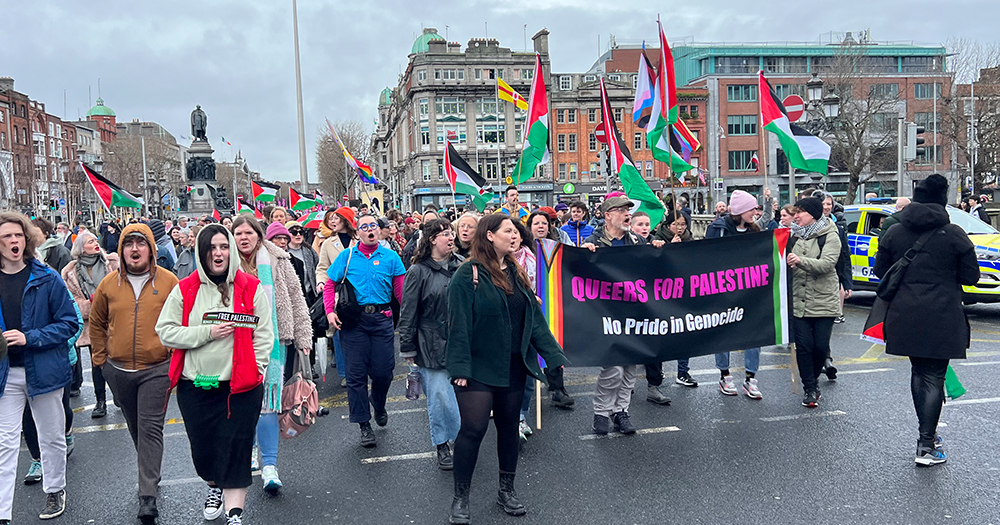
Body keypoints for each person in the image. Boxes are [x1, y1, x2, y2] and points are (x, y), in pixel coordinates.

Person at [445, 213, 569, 524]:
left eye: (516, 232)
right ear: (489, 236)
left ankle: (506, 489)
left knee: (509, 429)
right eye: (508, 231)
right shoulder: (467, 275)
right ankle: (461, 496)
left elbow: (534, 320)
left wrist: (554, 356)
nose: (514, 236)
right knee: (473, 430)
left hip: (514, 364)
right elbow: (457, 325)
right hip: (477, 367)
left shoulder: (515, 270)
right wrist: (459, 367)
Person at [155, 224, 273, 525]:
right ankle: (213, 486)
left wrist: (256, 369)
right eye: (211, 248)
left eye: (223, 246)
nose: (218, 253)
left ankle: (235, 514)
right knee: (204, 453)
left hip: (240, 387)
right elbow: (165, 331)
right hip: (197, 386)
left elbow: (263, 333)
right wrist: (207, 333)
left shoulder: (249, 286)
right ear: (201, 253)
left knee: (237, 446)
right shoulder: (186, 288)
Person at [875, 175, 979, 466]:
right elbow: (972, 276)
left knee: (918, 373)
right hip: (942, 313)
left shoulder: (895, 232)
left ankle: (927, 438)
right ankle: (926, 443)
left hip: (904, 312)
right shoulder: (955, 233)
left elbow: (880, 270)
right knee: (934, 375)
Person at [89, 224, 178, 522]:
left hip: (157, 369)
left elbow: (182, 320)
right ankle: (150, 471)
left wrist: (173, 358)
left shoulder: (168, 282)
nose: (135, 249)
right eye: (129, 244)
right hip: (118, 370)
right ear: (121, 250)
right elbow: (97, 324)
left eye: (141, 243)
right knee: (136, 427)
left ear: (151, 249)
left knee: (151, 428)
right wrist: (101, 361)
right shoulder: (108, 285)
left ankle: (147, 495)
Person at [0, 212, 79, 521]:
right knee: (5, 442)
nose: (13, 241)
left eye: (18, 235)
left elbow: (69, 323)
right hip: (6, 373)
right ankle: (3, 511)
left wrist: (29, 337)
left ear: (28, 239)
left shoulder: (47, 277)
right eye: (6, 236)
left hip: (44, 369)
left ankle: (55, 490)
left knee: (51, 436)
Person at [232, 216, 312, 491]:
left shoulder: (278, 259)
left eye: (248, 232)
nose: (244, 238)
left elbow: (295, 296)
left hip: (274, 340)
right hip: (233, 342)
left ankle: (270, 466)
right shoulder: (222, 262)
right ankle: (250, 449)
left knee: (269, 401)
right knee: (241, 402)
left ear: (259, 235)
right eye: (238, 233)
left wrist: (303, 336)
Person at [324, 214, 405, 448]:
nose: (370, 230)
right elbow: (330, 284)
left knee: (384, 372)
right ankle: (364, 425)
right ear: (357, 232)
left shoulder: (391, 257)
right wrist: (330, 311)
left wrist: (411, 316)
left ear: (379, 231)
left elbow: (401, 293)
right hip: (354, 322)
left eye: (373, 226)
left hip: (382, 320)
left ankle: (378, 403)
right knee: (356, 375)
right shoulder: (346, 256)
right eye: (364, 227)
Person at [581, 195, 651, 433]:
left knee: (630, 368)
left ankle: (621, 411)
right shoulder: (593, 241)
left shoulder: (637, 241)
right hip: (605, 314)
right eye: (621, 210)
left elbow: (654, 269)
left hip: (633, 314)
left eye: (627, 210)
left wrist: (660, 250)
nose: (626, 214)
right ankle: (601, 412)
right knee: (613, 369)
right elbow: (576, 272)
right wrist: (582, 255)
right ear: (608, 215)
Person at [399, 219, 463, 470]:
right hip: (430, 342)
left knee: (461, 397)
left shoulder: (463, 266)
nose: (451, 237)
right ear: (432, 240)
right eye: (445, 234)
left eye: (452, 233)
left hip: (460, 341)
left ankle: (462, 440)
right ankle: (442, 444)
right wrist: (408, 346)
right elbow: (408, 311)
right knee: (439, 397)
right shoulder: (418, 271)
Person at [705, 190, 764, 400]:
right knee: (724, 335)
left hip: (750, 293)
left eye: (756, 208)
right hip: (723, 292)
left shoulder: (757, 231)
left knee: (754, 336)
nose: (755, 213)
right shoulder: (717, 229)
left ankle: (751, 378)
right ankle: (725, 374)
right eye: (751, 209)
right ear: (739, 211)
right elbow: (705, 258)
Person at [786, 197, 841, 409]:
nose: (796, 216)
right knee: (804, 347)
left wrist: (800, 261)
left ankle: (814, 378)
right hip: (798, 300)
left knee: (820, 347)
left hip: (823, 301)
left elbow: (827, 264)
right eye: (795, 212)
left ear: (813, 214)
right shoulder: (793, 236)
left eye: (800, 212)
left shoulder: (830, 235)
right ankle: (810, 387)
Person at [60, 231, 120, 419]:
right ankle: (100, 401)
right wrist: (90, 304)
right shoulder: (70, 271)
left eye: (96, 240)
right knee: (97, 363)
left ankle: (119, 395)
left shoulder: (112, 263)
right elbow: (71, 300)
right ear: (80, 248)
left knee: (117, 360)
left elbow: (122, 288)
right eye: (90, 241)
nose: (95, 243)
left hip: (115, 319)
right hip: (91, 323)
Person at [653, 210, 699, 388]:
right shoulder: (657, 239)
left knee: (684, 334)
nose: (679, 228)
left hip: (683, 293)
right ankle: (658, 371)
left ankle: (683, 371)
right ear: (667, 225)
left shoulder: (689, 240)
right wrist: (669, 248)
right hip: (662, 295)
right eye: (675, 224)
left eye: (683, 224)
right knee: (661, 334)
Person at [315, 208, 357, 388]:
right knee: (340, 332)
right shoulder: (328, 243)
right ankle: (345, 372)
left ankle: (361, 367)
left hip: (359, 291)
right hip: (339, 293)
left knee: (360, 331)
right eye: (331, 219)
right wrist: (322, 282)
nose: (332, 221)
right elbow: (323, 268)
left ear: (346, 220)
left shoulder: (359, 239)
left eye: (336, 218)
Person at [818, 192, 853, 331]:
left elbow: (845, 257)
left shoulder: (838, 229)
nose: (827, 207)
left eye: (829, 204)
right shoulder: (802, 229)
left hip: (832, 280)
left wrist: (847, 283)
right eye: (823, 204)